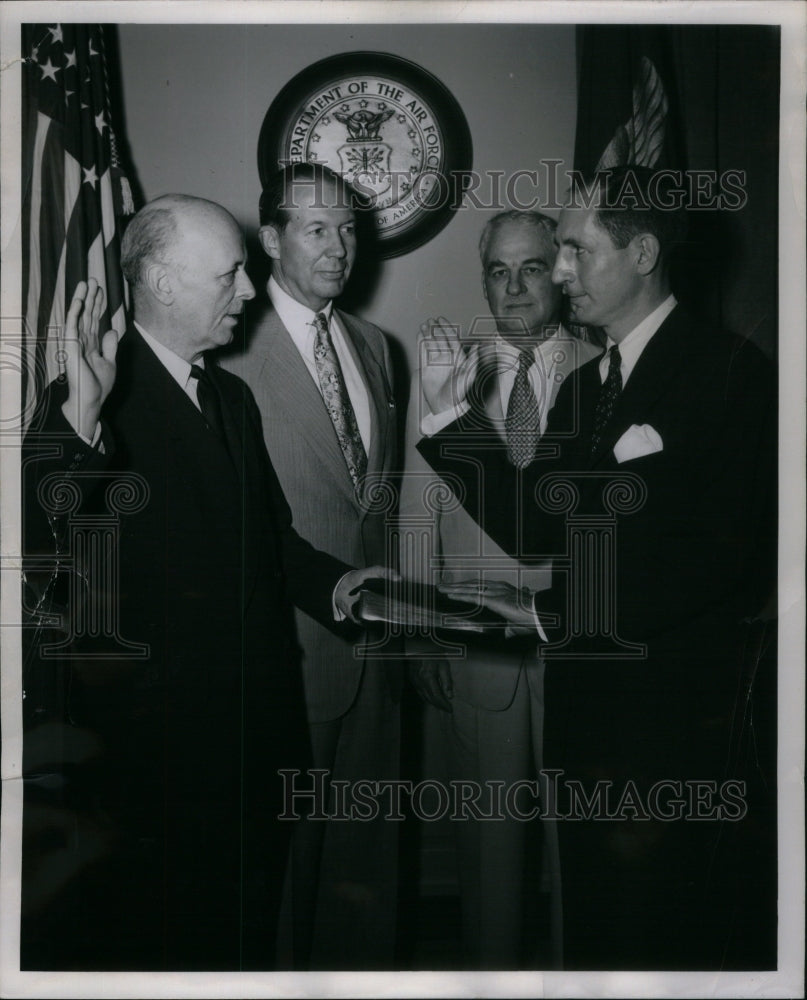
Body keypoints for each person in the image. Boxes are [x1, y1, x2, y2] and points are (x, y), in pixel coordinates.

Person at [20, 194, 395, 971]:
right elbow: (31, 545)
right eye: (230, 275)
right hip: (152, 769)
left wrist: (343, 585)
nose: (251, 292)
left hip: (253, 748)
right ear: (160, 280)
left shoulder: (231, 396)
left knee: (244, 944)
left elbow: (270, 542)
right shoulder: (95, 392)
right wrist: (75, 426)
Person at [417, 166, 777, 969]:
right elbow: (534, 525)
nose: (561, 271)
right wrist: (449, 416)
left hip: (674, 736)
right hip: (588, 725)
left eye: (574, 250)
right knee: (598, 937)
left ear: (642, 251)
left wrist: (546, 616)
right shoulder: (587, 386)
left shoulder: (729, 375)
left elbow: (711, 567)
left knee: (667, 944)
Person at [400, 210, 600, 968]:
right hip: (478, 645)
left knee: (575, 844)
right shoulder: (449, 374)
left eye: (529, 267)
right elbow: (418, 507)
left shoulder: (601, 370)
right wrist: (421, 628)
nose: (513, 286)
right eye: (496, 270)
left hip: (579, 640)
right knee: (487, 845)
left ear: (558, 269)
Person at [219, 164, 400, 970]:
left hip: (377, 649)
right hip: (285, 650)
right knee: (284, 871)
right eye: (316, 229)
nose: (339, 247)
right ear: (270, 240)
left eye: (350, 228)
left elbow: (380, 504)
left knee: (364, 867)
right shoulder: (229, 346)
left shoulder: (375, 347)